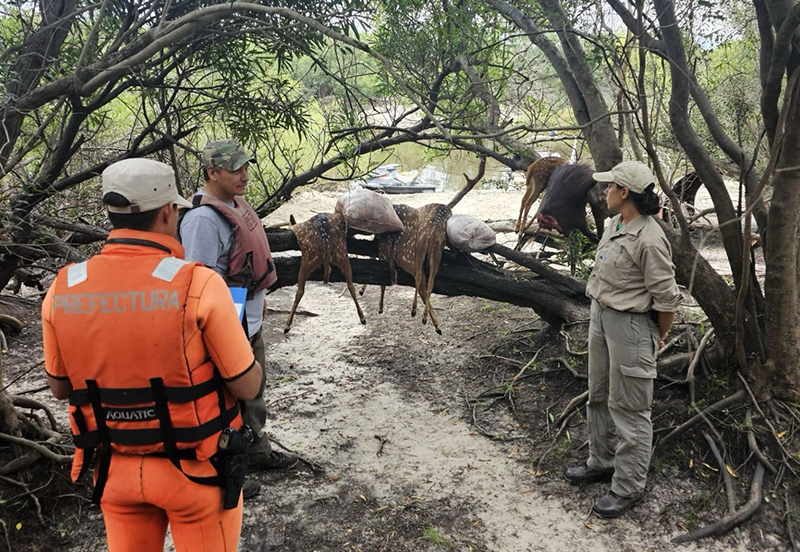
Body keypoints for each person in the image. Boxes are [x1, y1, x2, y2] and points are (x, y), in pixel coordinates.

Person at [42, 158, 263, 551]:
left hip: (113, 472)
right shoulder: (198, 283)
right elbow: (247, 386)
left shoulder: (64, 287)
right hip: (195, 472)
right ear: (166, 212)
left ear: (111, 214)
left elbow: (60, 388)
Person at [565, 161, 682, 518]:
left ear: (625, 192)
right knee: (598, 394)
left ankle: (628, 487)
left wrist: (657, 335)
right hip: (601, 317)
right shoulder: (616, 224)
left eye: (610, 186)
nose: (605, 192)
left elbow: (666, 300)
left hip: (631, 326)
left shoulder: (650, 238)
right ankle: (601, 462)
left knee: (629, 408)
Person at [178, 139, 297, 472]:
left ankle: (256, 450)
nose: (244, 176)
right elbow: (198, 283)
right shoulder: (202, 220)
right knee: (227, 393)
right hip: (226, 321)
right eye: (235, 170)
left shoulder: (235, 203)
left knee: (254, 387)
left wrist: (261, 299)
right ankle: (227, 465)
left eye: (246, 167)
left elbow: (246, 262)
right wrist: (218, 329)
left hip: (247, 316)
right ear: (212, 173)